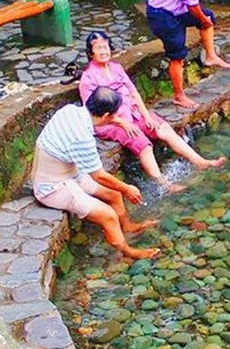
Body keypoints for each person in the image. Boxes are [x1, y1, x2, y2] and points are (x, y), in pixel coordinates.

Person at [79, 31, 227, 193]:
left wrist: (146, 115)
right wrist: (123, 123)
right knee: (143, 144)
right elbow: (94, 112)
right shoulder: (88, 78)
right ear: (91, 52)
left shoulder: (116, 68)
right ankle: (164, 185)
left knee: (162, 127)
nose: (103, 51)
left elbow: (134, 93)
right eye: (98, 48)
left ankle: (199, 161)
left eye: (105, 47)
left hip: (133, 113)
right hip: (111, 123)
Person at [31, 87, 160, 260]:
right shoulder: (82, 137)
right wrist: (127, 188)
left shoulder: (70, 110)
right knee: (108, 215)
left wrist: (119, 122)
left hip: (69, 174)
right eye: (113, 115)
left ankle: (127, 226)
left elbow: (103, 119)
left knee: (114, 193)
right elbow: (98, 176)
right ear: (106, 114)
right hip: (52, 187)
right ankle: (127, 252)